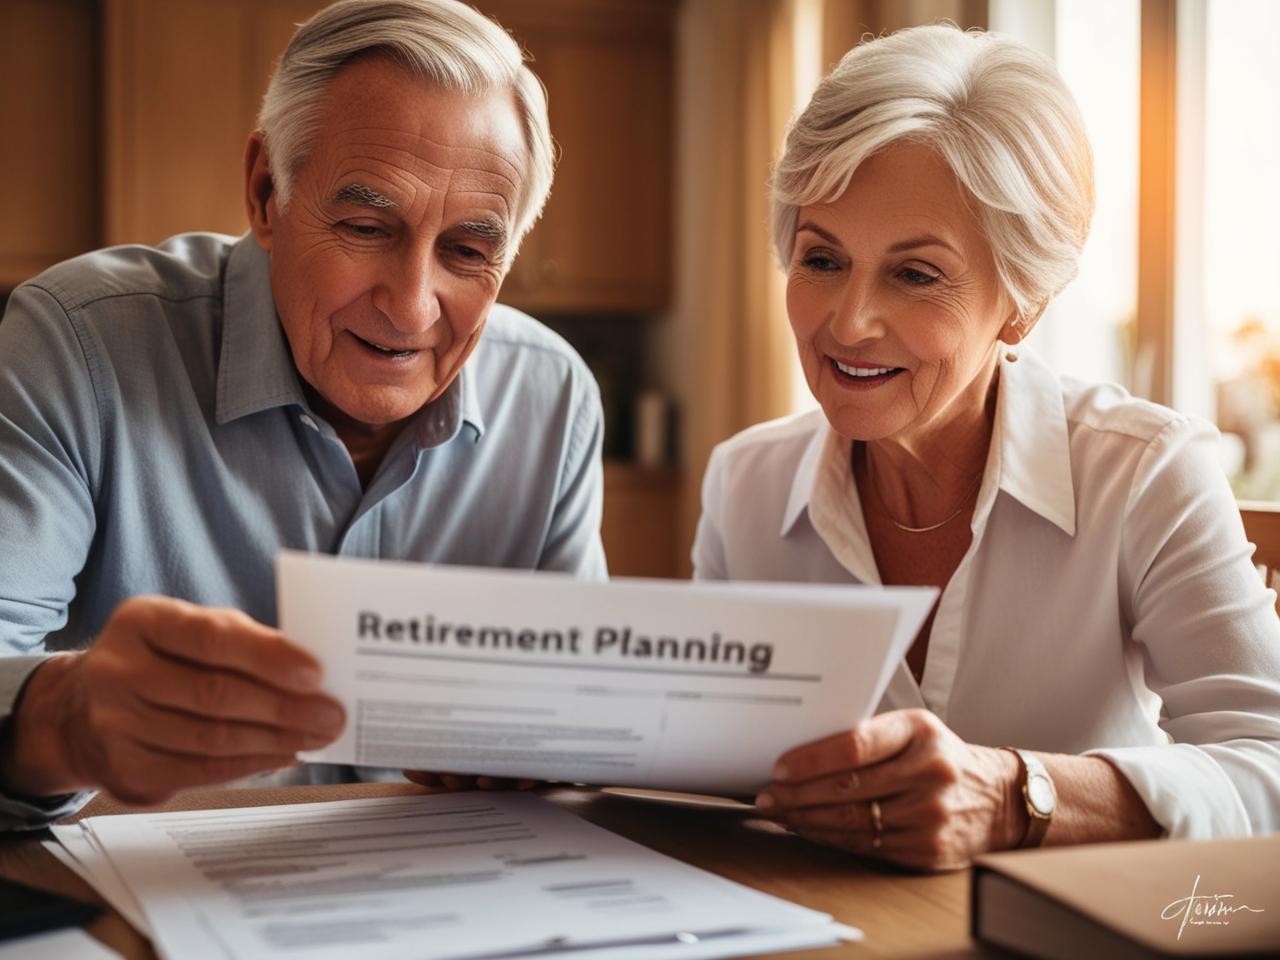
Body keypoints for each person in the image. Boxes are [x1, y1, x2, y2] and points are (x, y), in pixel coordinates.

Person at [0, 0, 605, 830]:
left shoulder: (553, 397)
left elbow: (577, 720)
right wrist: (66, 717)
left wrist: (548, 746)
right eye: (366, 226)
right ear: (265, 192)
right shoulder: (79, 344)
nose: (412, 306)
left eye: (468, 250)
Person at [694, 24, 1280, 871]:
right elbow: (705, 766)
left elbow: (1269, 765)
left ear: (1022, 304)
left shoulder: (1145, 474)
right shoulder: (743, 484)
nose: (848, 323)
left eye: (915, 274)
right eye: (822, 259)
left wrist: (1017, 797)